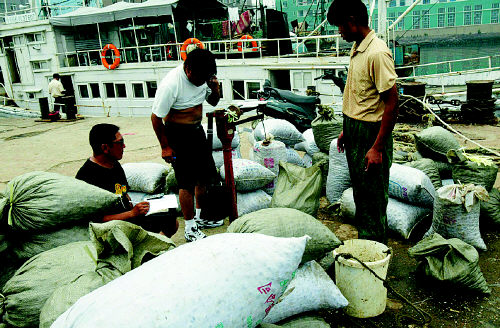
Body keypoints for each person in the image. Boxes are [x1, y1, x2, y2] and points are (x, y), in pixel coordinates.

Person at [327, 0, 399, 244]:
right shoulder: (358, 47)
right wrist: (346, 129)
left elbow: (392, 103)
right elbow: (359, 92)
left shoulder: (377, 53)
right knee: (362, 195)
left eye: (340, 26)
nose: (339, 32)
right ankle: (369, 246)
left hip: (371, 133)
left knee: (373, 198)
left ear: (351, 21)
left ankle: (376, 255)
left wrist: (377, 148)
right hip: (355, 129)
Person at [151, 49, 221, 243]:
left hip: (197, 131)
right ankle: (190, 228)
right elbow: (156, 118)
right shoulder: (171, 84)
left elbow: (213, 102)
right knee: (186, 182)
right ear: (188, 70)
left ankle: (200, 217)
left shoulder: (205, 77)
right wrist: (165, 147)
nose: (202, 82)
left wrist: (215, 88)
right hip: (177, 134)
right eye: (200, 78)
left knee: (203, 178)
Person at [76, 123, 178, 237]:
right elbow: (94, 220)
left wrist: (137, 208)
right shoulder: (87, 177)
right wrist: (131, 213)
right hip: (111, 227)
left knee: (171, 222)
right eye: (120, 143)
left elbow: (122, 192)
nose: (124, 146)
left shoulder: (114, 165)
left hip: (128, 216)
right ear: (105, 148)